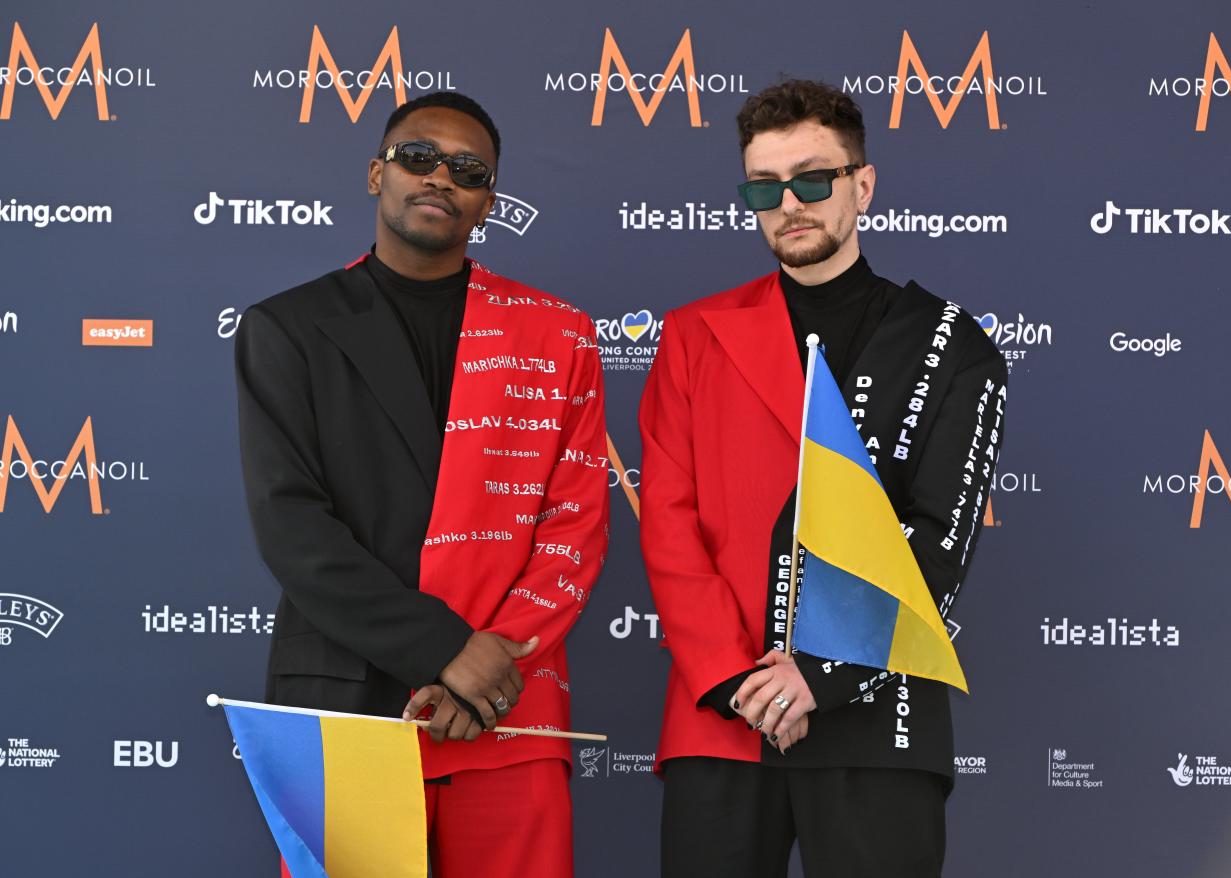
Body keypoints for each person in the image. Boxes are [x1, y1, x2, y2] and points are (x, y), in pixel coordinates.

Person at [639, 79, 1007, 877]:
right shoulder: (694, 335)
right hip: (723, 712)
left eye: (813, 178)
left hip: (882, 719)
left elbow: (938, 540)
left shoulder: (953, 346)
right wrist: (739, 679)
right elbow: (668, 522)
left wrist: (820, 674)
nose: (789, 203)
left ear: (862, 186)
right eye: (764, 187)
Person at [235, 91, 608, 877]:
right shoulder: (287, 327)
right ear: (377, 174)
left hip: (510, 702)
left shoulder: (558, 333)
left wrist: (485, 674)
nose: (440, 176)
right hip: (348, 702)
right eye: (417, 157)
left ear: (489, 202)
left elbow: (572, 523)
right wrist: (447, 652)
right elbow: (292, 527)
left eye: (467, 169)